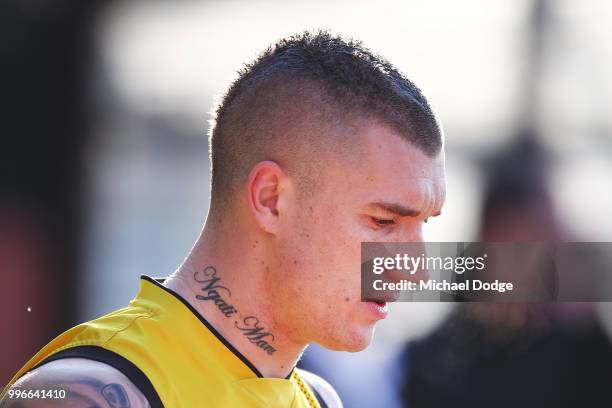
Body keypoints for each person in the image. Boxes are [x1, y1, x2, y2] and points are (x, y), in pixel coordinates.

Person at [1, 30, 445, 407]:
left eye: (425, 223)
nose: (417, 268)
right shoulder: (88, 394)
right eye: (384, 222)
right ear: (270, 199)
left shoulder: (319, 398)